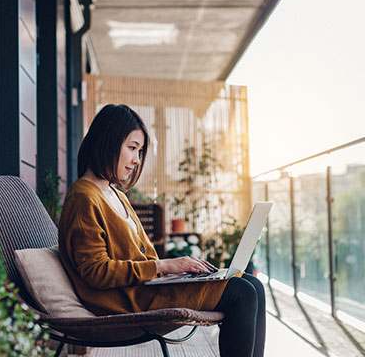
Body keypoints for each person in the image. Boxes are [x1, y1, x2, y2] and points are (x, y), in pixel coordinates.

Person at [58, 104, 266, 357]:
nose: (136, 160)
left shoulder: (115, 194)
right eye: (132, 148)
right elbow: (96, 271)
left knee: (253, 283)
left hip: (148, 288)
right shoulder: (83, 197)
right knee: (242, 292)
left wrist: (177, 272)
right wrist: (165, 267)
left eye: (140, 151)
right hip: (128, 300)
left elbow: (142, 257)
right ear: (107, 142)